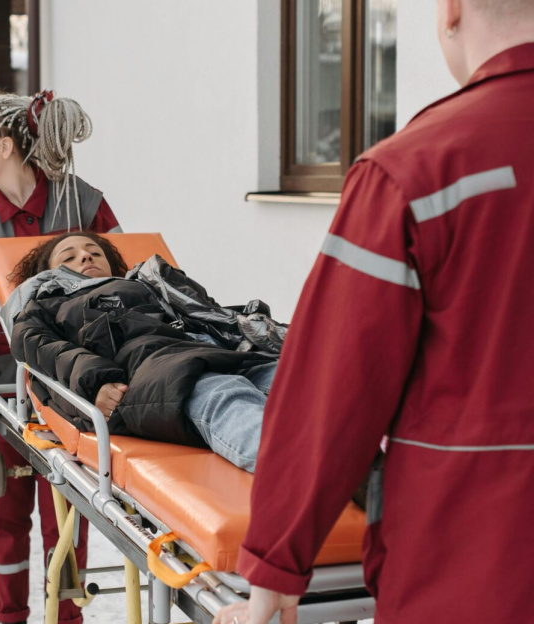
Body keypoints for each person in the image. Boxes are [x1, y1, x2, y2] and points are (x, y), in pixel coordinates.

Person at [215, 1, 534, 622]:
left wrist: (277, 565)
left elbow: (330, 390)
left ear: (452, 12)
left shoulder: (415, 170)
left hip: (468, 573)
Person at [0, 90, 121, 624]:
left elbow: (122, 274)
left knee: (68, 511)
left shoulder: (83, 202)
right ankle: (9, 618)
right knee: (5, 512)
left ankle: (65, 618)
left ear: (6, 146)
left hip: (73, 380)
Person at [7, 232, 282, 472]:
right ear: (47, 275)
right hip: (154, 370)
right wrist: (94, 384)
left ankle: (320, 453)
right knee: (223, 394)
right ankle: (297, 469)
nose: (86, 258)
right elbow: (44, 352)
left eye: (94, 253)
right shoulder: (46, 306)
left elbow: (214, 316)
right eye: (69, 257)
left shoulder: (149, 283)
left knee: (294, 379)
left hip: (217, 352)